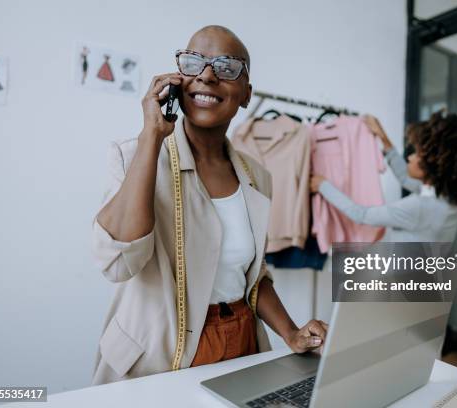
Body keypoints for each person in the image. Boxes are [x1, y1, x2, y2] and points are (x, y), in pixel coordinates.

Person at [91, 25, 327, 385]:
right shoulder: (133, 156)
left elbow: (251, 276)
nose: (207, 75)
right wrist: (151, 137)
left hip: (241, 342)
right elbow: (118, 264)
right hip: (160, 356)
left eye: (227, 66)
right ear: (176, 80)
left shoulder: (257, 177)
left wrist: (291, 333)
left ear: (247, 94)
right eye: (193, 63)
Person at [310, 112, 457, 242]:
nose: (410, 157)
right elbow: (405, 178)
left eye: (417, 155)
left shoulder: (419, 207)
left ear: (434, 168)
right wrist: (383, 138)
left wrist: (323, 185)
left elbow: (361, 215)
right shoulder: (449, 199)